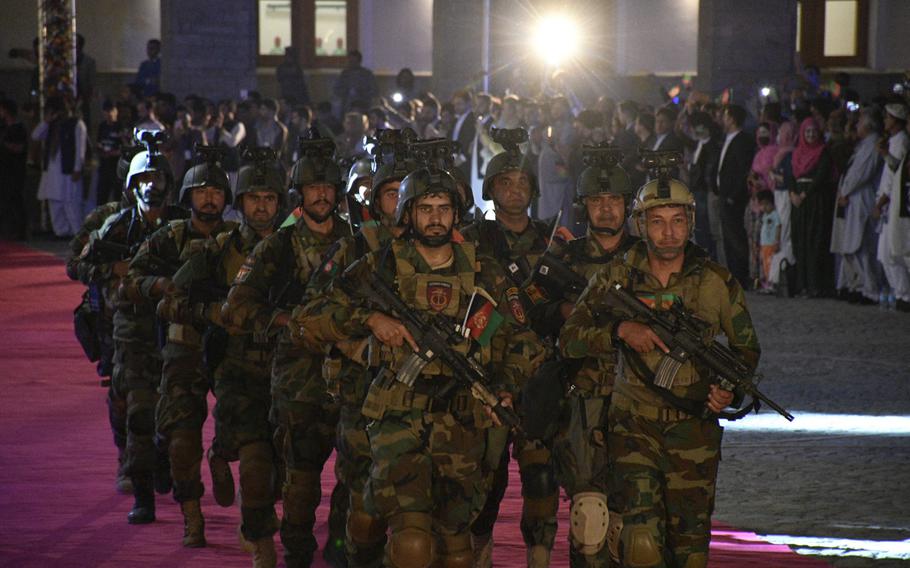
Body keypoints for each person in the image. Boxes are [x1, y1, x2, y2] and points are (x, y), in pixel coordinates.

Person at [294, 165, 536, 568]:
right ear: (408, 214)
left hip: (463, 417)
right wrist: (370, 320)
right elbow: (308, 318)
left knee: (455, 545)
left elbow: (524, 341)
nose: (436, 217)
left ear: (457, 214)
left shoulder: (484, 270)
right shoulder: (380, 266)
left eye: (444, 208)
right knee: (410, 541)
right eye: (425, 208)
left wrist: (506, 385)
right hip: (398, 414)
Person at [561, 173, 760, 568]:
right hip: (633, 427)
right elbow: (570, 338)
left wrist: (728, 390)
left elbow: (746, 350)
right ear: (640, 224)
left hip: (694, 430)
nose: (668, 233)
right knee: (641, 545)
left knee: (688, 549)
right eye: (657, 221)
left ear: (690, 221)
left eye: (677, 221)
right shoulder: (617, 276)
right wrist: (620, 330)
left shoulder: (715, 282)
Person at [222, 134, 350, 568]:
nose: (321, 195)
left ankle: (343, 546)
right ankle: (296, 547)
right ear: (300, 193)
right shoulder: (278, 245)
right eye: (313, 188)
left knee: (355, 473)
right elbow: (236, 307)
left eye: (328, 188)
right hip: (297, 378)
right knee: (301, 478)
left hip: (351, 373)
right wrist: (285, 322)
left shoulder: (357, 244)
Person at [289, 132, 415, 567]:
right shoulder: (354, 249)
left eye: (407, 194)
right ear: (376, 200)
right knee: (360, 495)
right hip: (363, 395)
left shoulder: (447, 251)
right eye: (390, 194)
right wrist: (364, 325)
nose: (398, 203)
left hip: (427, 402)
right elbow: (308, 317)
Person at [166, 149, 285, 566]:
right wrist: (213, 312)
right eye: (253, 198)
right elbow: (176, 297)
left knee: (283, 469)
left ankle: (222, 454)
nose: (262, 206)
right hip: (237, 368)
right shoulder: (221, 247)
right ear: (241, 203)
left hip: (288, 369)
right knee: (254, 463)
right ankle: (259, 537)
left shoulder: (298, 247)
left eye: (270, 198)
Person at [124, 149, 237, 547]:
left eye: (216, 192)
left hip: (230, 351)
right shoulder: (169, 238)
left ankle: (221, 455)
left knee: (246, 430)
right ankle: (192, 514)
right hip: (183, 349)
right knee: (181, 439)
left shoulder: (237, 241)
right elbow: (132, 279)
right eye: (201, 191)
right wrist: (160, 287)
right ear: (188, 196)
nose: (209, 199)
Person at [533, 146, 639, 568]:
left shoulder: (646, 258)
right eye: (598, 201)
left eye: (613, 201)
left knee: (633, 527)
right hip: (582, 397)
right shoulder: (566, 259)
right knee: (589, 522)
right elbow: (534, 313)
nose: (607, 210)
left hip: (638, 396)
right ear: (584, 206)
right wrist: (564, 312)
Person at [461, 130, 555, 568]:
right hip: (489, 372)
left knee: (540, 473)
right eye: (505, 182)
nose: (514, 190)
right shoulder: (472, 241)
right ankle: (480, 549)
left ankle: (538, 554)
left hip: (540, 374)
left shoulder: (555, 242)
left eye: (522, 183)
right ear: (491, 190)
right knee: (488, 475)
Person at [83, 136, 183, 525]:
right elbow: (83, 265)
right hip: (132, 333)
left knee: (173, 416)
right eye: (143, 178)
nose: (150, 186)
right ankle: (143, 493)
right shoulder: (117, 227)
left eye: (157, 178)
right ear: (131, 185)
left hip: (175, 331)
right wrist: (115, 270)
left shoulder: (180, 225)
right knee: (139, 414)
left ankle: (164, 462)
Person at [830, 108, 883, 304]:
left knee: (862, 244)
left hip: (861, 199)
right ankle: (855, 284)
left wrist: (845, 191)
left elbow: (861, 173)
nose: (857, 126)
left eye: (860, 122)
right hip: (852, 200)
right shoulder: (864, 145)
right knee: (851, 245)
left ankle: (869, 288)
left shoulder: (872, 145)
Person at [787, 117, 834, 297]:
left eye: (814, 131)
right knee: (799, 240)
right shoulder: (797, 154)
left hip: (814, 201)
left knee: (813, 240)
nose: (811, 135)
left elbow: (822, 175)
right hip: (798, 201)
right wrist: (793, 194)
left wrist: (805, 195)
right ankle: (801, 284)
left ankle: (815, 285)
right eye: (807, 132)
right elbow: (791, 175)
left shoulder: (822, 152)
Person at [32, 96, 87, 238]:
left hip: (68, 170)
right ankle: (61, 232)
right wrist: (46, 121)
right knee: (54, 203)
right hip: (51, 170)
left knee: (70, 203)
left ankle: (77, 233)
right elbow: (35, 135)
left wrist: (77, 168)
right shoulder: (50, 125)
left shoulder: (77, 124)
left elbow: (80, 148)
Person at [873, 103, 910, 311]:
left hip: (893, 201)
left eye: (888, 118)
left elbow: (897, 173)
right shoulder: (893, 141)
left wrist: (882, 201)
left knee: (894, 253)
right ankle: (900, 293)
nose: (885, 121)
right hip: (888, 201)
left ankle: (904, 294)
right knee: (885, 255)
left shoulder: (902, 141)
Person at [716, 104, 756, 288]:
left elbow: (742, 171)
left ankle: (741, 275)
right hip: (724, 195)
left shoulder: (742, 140)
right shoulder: (728, 139)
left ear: (731, 118)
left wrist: (734, 195)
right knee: (727, 237)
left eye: (725, 116)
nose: (722, 119)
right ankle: (732, 274)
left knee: (736, 236)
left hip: (733, 198)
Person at [0, 98, 29, 240]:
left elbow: (19, 148)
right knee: (6, 200)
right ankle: (8, 229)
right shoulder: (3, 128)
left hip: (15, 170)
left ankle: (20, 230)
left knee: (15, 199)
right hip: (4, 170)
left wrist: (6, 145)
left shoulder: (19, 128)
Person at [96, 100, 126, 207]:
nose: (109, 114)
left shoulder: (121, 126)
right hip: (104, 167)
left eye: (112, 111)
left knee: (118, 198)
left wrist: (115, 153)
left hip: (116, 168)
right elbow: (99, 144)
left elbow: (125, 146)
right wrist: (103, 152)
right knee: (101, 197)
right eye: (107, 111)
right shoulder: (102, 127)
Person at [332, 50, 379, 116]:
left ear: (359, 62)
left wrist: (361, 92)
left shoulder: (367, 74)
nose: (352, 63)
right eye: (350, 61)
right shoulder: (344, 74)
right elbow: (336, 90)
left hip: (363, 106)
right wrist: (346, 91)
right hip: (347, 107)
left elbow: (375, 91)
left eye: (354, 61)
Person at [756, 190, 781, 292]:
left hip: (771, 244)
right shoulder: (764, 216)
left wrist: (777, 241)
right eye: (762, 205)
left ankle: (772, 283)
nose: (764, 207)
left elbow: (778, 226)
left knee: (771, 264)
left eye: (767, 204)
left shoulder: (775, 214)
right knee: (765, 265)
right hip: (764, 245)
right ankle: (768, 282)